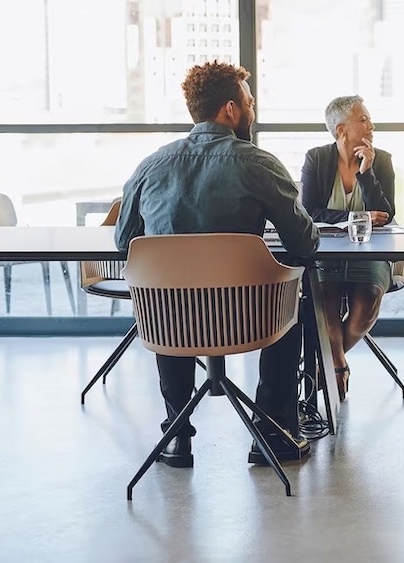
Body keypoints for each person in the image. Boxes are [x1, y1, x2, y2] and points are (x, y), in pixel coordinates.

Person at [115, 61, 319, 469]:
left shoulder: (151, 165)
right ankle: (272, 435)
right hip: (248, 320)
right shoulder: (257, 163)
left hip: (169, 322)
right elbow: (304, 242)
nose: (253, 110)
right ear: (230, 109)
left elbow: (125, 243)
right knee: (292, 294)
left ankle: (175, 435)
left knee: (167, 293)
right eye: (249, 102)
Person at [300, 95, 395, 401]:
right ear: (341, 129)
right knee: (324, 299)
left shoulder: (381, 159)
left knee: (366, 303)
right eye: (364, 119)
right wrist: (357, 217)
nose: (372, 125)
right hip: (325, 255)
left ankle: (324, 361)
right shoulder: (316, 159)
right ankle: (338, 365)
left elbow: (386, 214)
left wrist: (366, 173)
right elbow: (309, 212)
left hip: (370, 254)